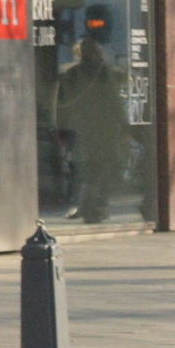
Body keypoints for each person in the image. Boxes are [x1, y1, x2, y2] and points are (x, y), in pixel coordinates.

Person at [53, 38, 124, 222]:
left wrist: (61, 128)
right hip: (104, 127)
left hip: (79, 127)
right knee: (103, 165)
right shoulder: (105, 72)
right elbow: (115, 102)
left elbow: (61, 104)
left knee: (84, 166)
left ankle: (86, 204)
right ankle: (96, 205)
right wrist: (125, 125)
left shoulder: (70, 73)